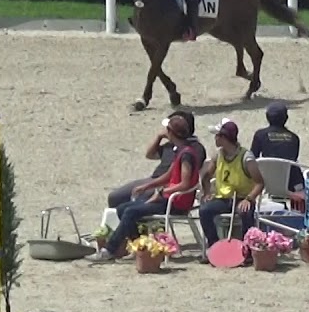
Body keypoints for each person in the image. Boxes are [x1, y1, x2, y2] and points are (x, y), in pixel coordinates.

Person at [90, 113, 207, 261]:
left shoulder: (187, 155)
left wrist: (162, 191)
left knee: (131, 211)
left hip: (176, 202)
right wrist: (147, 186)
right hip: (168, 197)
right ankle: (140, 246)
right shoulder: (180, 150)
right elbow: (168, 176)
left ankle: (109, 250)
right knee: (122, 209)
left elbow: (184, 184)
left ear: (171, 133)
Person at [196, 118, 264, 252]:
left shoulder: (246, 157)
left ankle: (247, 249)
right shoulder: (218, 155)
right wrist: (207, 193)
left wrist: (249, 199)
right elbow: (206, 176)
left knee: (244, 212)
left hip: (242, 197)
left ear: (224, 137)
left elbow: (260, 183)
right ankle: (214, 246)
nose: (215, 139)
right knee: (205, 211)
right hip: (223, 198)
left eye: (217, 136)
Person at [106, 110, 195, 209]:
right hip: (155, 180)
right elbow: (150, 155)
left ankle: (140, 223)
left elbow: (187, 177)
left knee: (135, 203)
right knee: (115, 197)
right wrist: (159, 137)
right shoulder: (170, 145)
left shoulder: (192, 149)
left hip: (168, 185)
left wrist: (162, 189)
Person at [249, 101, 303, 193]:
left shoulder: (260, 135)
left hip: (266, 182)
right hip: (290, 183)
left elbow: (252, 158)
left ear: (267, 117)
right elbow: (293, 158)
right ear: (286, 118)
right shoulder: (294, 138)